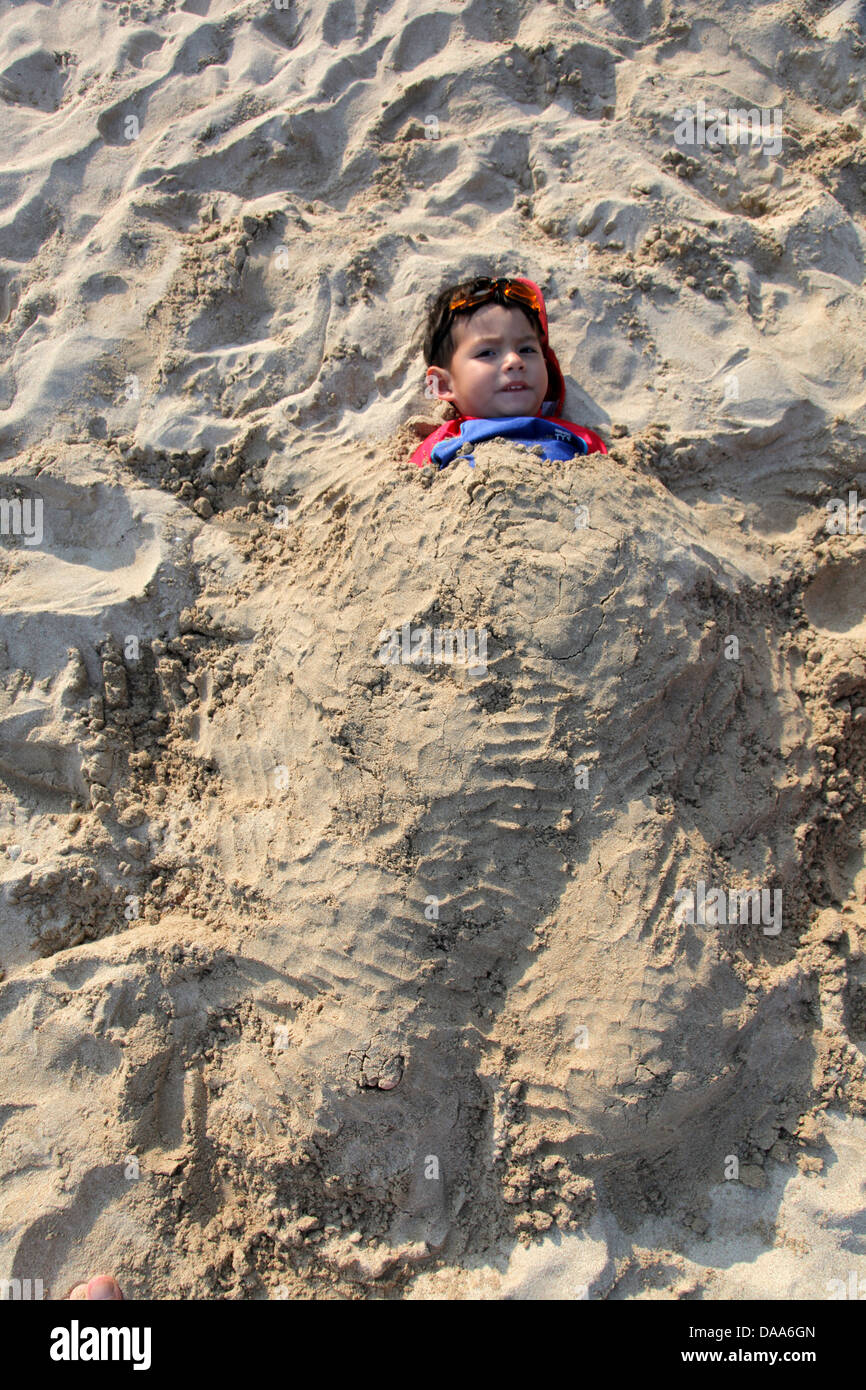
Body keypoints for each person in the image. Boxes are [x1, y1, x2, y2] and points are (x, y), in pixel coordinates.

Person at [410, 275, 608, 469]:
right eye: (487, 352)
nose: (515, 361)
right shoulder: (443, 442)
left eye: (527, 349)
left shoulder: (578, 439)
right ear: (444, 384)